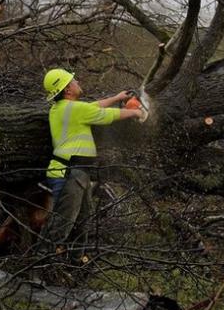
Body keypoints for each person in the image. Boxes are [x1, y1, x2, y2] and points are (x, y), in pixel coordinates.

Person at [38, 68, 145, 253]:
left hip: (78, 172)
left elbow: (93, 107)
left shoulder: (64, 108)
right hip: (70, 172)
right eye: (73, 81)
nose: (77, 82)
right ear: (67, 90)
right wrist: (136, 113)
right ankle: (38, 269)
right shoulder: (73, 109)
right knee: (62, 223)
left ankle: (75, 263)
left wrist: (117, 97)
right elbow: (106, 116)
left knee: (83, 222)